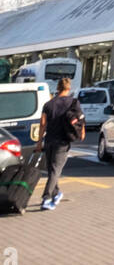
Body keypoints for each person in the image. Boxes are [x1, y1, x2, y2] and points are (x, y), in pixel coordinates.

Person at [37, 76, 84, 211]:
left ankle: (56, 193)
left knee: (52, 169)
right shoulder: (73, 103)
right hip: (63, 141)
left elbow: (42, 124)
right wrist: (81, 133)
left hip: (49, 140)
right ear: (69, 88)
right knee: (55, 170)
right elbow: (80, 118)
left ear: (58, 88)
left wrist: (39, 142)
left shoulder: (48, 104)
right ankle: (47, 198)